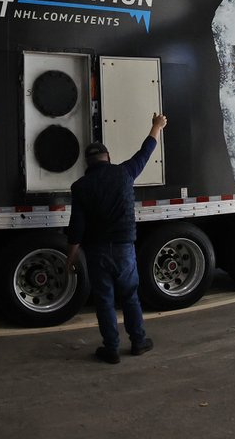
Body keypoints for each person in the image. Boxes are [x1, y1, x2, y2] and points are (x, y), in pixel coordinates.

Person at [65, 113, 167, 363]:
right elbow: (146, 151)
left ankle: (111, 348)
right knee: (130, 295)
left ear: (87, 164)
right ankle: (138, 342)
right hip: (124, 249)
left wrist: (70, 257)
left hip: (97, 251)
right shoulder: (124, 173)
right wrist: (156, 126)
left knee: (104, 300)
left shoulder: (80, 186)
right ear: (108, 158)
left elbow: (76, 226)